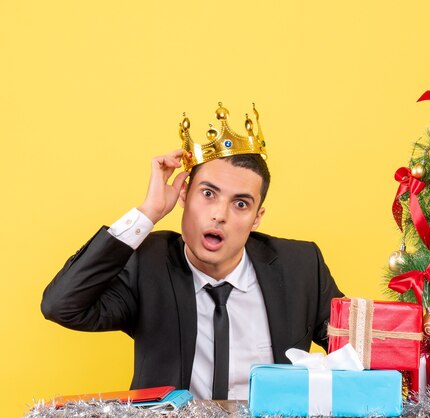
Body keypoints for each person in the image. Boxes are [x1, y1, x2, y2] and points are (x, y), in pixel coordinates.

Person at [41, 103, 343, 401]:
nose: (219, 215)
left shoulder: (301, 266)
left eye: (240, 204)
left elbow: (357, 355)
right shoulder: (149, 263)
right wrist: (148, 213)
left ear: (257, 217)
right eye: (208, 194)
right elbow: (61, 306)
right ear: (184, 194)